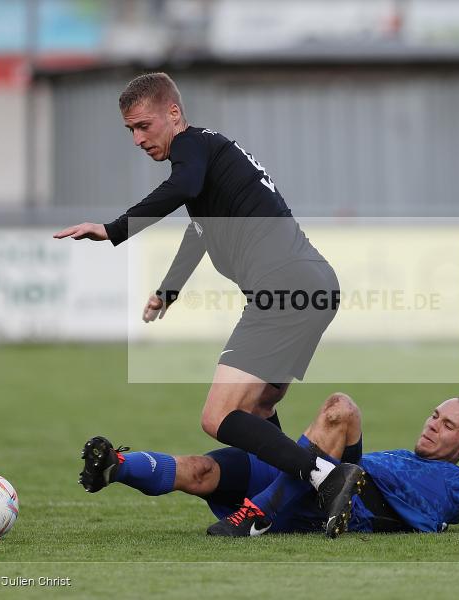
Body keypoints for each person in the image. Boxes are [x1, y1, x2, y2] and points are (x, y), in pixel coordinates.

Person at [53, 72, 360, 536]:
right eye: (130, 131)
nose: (138, 139)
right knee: (257, 412)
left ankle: (326, 477)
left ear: (174, 114)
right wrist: (169, 290)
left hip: (282, 290)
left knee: (217, 417)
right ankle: (276, 505)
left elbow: (180, 188)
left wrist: (114, 229)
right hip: (315, 286)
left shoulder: (192, 147)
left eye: (144, 125)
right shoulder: (214, 159)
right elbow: (199, 230)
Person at [81, 383, 459, 537]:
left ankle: (259, 515)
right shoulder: (401, 452)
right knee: (201, 469)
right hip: (319, 473)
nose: (431, 424)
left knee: (340, 411)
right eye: (434, 414)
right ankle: (118, 463)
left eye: (446, 425)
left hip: (332, 501)